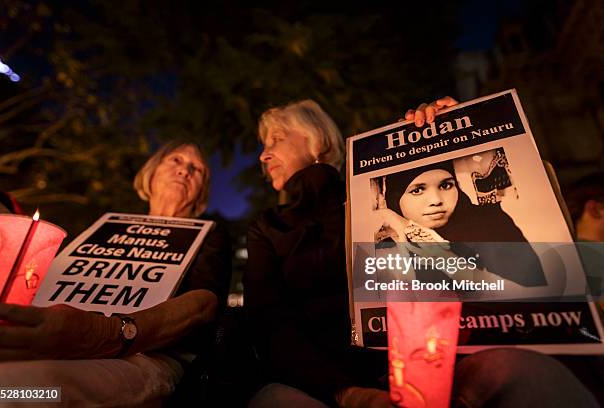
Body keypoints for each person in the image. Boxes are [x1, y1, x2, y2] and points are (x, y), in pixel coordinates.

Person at [244, 98, 598, 407]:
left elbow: (529, 278)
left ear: (316, 139)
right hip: (320, 385)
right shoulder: (268, 226)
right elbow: (268, 322)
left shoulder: (394, 208)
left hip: (439, 367)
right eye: (263, 143)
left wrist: (445, 131)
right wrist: (347, 393)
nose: (264, 153)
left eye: (276, 138)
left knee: (523, 373)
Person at [0, 140, 232, 407]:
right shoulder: (105, 230)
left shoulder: (211, 234)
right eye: (175, 160)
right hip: (60, 340)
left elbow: (204, 304)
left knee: (13, 390)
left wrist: (108, 332)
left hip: (150, 356)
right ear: (150, 175)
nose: (184, 170)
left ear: (201, 192)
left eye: (196, 169)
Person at [379, 159, 547, 287]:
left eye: (445, 185)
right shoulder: (382, 242)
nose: (436, 200)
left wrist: (434, 249)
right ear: (395, 198)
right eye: (417, 190)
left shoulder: (490, 221)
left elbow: (533, 289)